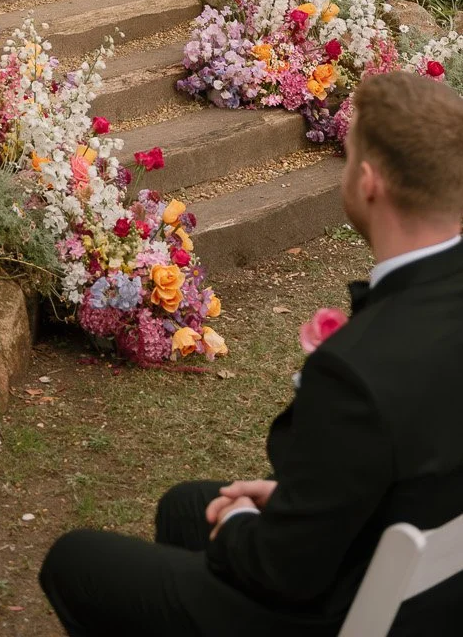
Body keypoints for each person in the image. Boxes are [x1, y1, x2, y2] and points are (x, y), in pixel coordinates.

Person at [38, 69, 463, 636]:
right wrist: (296, 501)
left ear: (367, 183)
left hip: (354, 611)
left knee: (76, 562)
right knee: (186, 507)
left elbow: (282, 571)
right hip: (431, 566)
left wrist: (241, 520)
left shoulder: (354, 370)